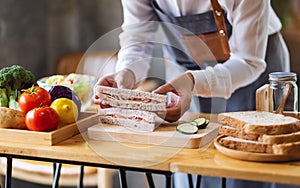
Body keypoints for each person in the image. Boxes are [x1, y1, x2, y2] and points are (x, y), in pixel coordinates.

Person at [93, 0, 295, 187]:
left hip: (251, 75)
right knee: (189, 169)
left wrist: (192, 82)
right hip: (183, 76)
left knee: (246, 171)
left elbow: (249, 61)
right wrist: (128, 71)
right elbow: (138, 35)